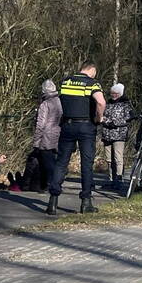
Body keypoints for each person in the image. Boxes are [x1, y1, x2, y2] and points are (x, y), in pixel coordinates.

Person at [47, 61, 106, 215]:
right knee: (86, 164)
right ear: (92, 70)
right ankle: (86, 202)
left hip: (67, 125)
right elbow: (101, 102)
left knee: (61, 162)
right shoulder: (92, 83)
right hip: (86, 126)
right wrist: (99, 118)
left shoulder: (66, 82)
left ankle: (52, 201)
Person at [22, 79, 62, 192]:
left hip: (46, 137)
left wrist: (36, 142)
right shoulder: (59, 101)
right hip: (58, 135)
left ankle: (51, 184)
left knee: (47, 163)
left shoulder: (45, 104)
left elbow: (40, 125)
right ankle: (56, 182)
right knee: (55, 161)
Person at [99, 82, 134, 192]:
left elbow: (130, 117)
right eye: (112, 93)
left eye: (115, 93)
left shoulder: (126, 104)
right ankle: (111, 180)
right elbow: (102, 115)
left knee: (118, 159)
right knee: (109, 159)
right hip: (107, 134)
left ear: (120, 93)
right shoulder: (108, 103)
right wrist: (105, 120)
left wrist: (115, 122)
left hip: (119, 135)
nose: (113, 95)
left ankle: (119, 180)